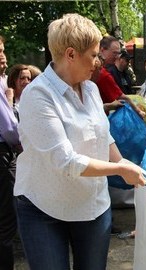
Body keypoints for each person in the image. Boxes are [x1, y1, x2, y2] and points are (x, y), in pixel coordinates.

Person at [14, 13, 145, 270]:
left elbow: (103, 136)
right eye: (94, 55)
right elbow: (65, 161)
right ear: (71, 54)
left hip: (92, 207)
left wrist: (124, 163)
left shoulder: (91, 89)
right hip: (44, 209)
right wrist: (120, 170)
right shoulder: (38, 95)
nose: (98, 62)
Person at [0, 34, 22, 270]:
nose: (3, 55)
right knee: (6, 222)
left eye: (3, 50)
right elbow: (8, 128)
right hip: (3, 155)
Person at [95, 36, 145, 118]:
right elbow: (122, 97)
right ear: (102, 50)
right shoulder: (103, 74)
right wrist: (138, 111)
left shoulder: (104, 72)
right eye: (114, 53)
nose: (117, 56)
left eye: (118, 53)